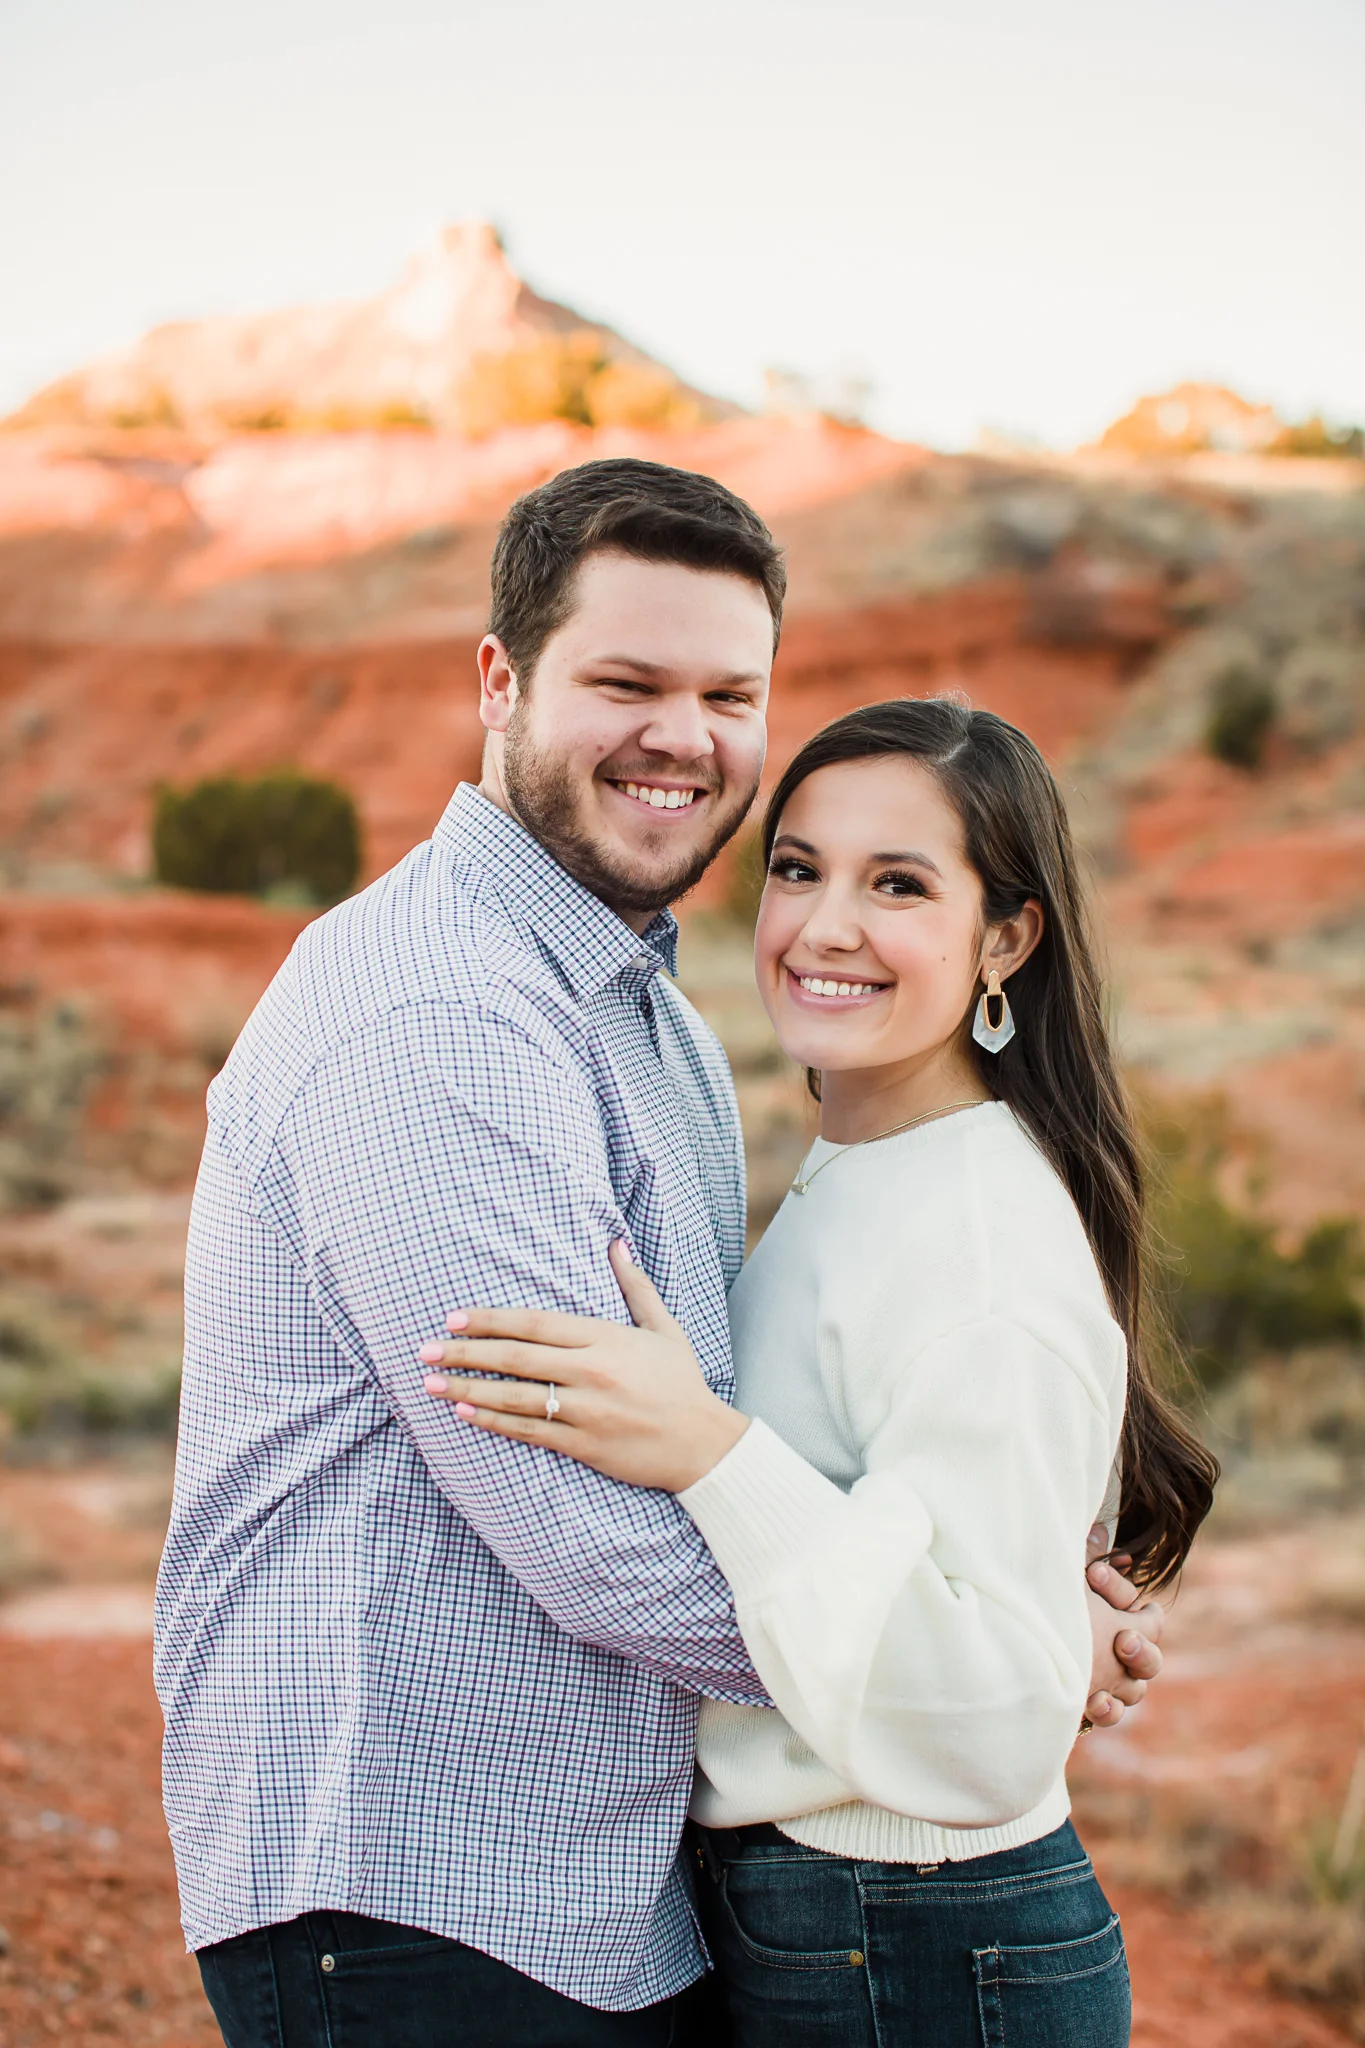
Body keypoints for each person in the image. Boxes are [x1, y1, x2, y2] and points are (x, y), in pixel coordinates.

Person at [156, 460, 1164, 2047]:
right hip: (422, 1886)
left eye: (727, 692)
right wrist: (970, 1655)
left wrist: (991, 1609)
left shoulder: (655, 1027)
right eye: (625, 681)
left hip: (600, 1892)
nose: (682, 736)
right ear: (499, 681)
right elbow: (584, 1530)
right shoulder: (442, 1019)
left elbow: (754, 1435)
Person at [421, 696, 1217, 2045]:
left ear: (1006, 939)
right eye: (798, 868)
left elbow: (984, 1724)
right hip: (850, 1917)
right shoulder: (873, 1172)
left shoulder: (976, 1231)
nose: (825, 925)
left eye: (897, 884)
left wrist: (713, 1456)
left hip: (913, 1933)